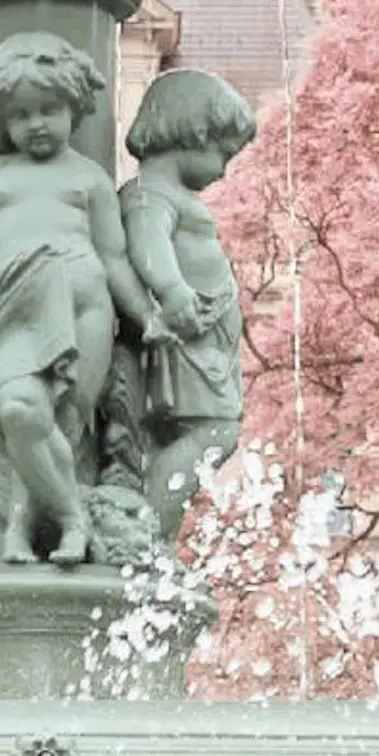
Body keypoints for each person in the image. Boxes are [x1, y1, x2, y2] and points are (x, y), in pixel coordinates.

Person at [0, 33, 165, 568]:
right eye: (21, 115)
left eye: (50, 109)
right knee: (20, 411)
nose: (37, 123)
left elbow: (112, 258)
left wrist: (146, 313)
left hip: (85, 307)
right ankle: (73, 517)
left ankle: (20, 525)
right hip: (12, 311)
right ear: (0, 120)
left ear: (75, 107)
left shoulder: (87, 179)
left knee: (63, 424)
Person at [103, 66, 254, 541]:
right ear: (192, 131)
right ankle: (148, 527)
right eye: (221, 153)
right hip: (185, 342)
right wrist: (171, 291)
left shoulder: (166, 195)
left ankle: (153, 529)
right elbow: (150, 246)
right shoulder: (150, 196)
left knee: (193, 436)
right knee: (214, 433)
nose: (225, 169)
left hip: (202, 345)